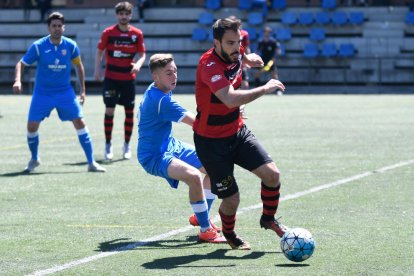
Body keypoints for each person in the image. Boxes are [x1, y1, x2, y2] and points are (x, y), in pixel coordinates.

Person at [193, 18, 288, 250]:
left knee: (272, 175)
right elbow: (229, 98)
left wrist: (247, 59)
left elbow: (240, 56)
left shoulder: (236, 50)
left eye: (239, 42)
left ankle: (268, 218)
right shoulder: (208, 65)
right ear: (216, 43)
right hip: (211, 143)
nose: (236, 47)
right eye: (230, 43)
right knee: (232, 198)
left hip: (237, 132)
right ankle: (230, 234)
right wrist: (265, 88)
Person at [137, 53, 225, 243]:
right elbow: (197, 123)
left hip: (170, 145)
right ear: (155, 77)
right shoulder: (161, 100)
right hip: (153, 155)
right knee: (194, 176)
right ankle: (205, 230)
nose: (174, 76)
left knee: (214, 168)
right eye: (168, 73)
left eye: (175, 71)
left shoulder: (161, 88)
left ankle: (201, 216)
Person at [12, 12, 106, 173]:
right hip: (42, 93)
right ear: (49, 28)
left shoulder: (71, 46)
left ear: (64, 27)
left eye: (59, 26)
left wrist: (82, 90)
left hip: (65, 92)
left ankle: (91, 162)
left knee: (80, 122)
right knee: (32, 126)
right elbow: (21, 63)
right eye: (53, 26)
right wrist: (17, 80)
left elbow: (79, 66)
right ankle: (34, 159)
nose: (57, 28)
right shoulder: (39, 46)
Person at [94, 1, 146, 160]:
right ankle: (108, 145)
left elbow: (142, 54)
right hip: (111, 78)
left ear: (130, 15)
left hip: (128, 79)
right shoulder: (108, 33)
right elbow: (99, 52)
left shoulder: (137, 34)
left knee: (129, 112)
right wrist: (97, 70)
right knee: (109, 111)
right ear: (117, 15)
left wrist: (138, 64)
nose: (124, 16)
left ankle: (126, 145)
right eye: (121, 13)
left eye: (127, 14)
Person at [228, 15, 251, 119]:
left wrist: (248, 60)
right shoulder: (225, 35)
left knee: (245, 84)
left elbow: (246, 48)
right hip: (229, 63)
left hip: (240, 62)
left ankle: (242, 108)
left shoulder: (244, 34)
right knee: (231, 86)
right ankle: (234, 109)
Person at [254, 26, 282, 95]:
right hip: (263, 60)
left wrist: (274, 58)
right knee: (257, 74)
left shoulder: (273, 41)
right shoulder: (261, 41)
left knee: (274, 76)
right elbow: (257, 50)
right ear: (264, 32)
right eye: (265, 31)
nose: (267, 33)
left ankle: (278, 91)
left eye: (268, 32)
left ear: (270, 33)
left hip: (271, 61)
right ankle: (258, 89)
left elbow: (278, 51)